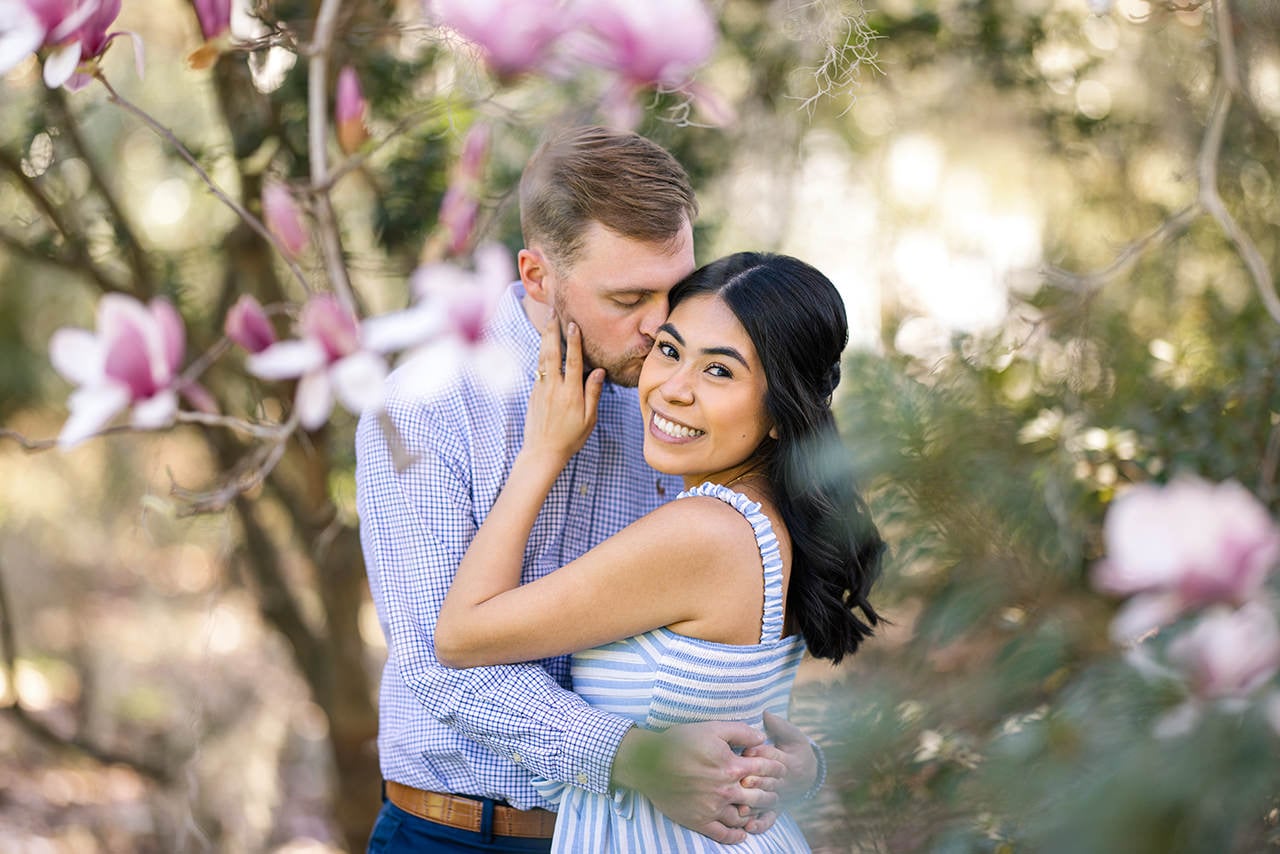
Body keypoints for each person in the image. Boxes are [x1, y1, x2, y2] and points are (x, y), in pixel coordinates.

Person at [356, 128, 821, 853]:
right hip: (458, 833)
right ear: (538, 278)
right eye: (630, 297)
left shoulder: (675, 405)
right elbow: (435, 667)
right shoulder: (421, 410)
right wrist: (632, 757)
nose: (662, 324)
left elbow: (720, 631)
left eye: (678, 288)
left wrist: (785, 758)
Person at [435, 252, 886, 851]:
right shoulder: (777, 515)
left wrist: (542, 452)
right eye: (670, 352)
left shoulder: (703, 533)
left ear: (782, 410)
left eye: (719, 372)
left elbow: (462, 636)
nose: (673, 390)